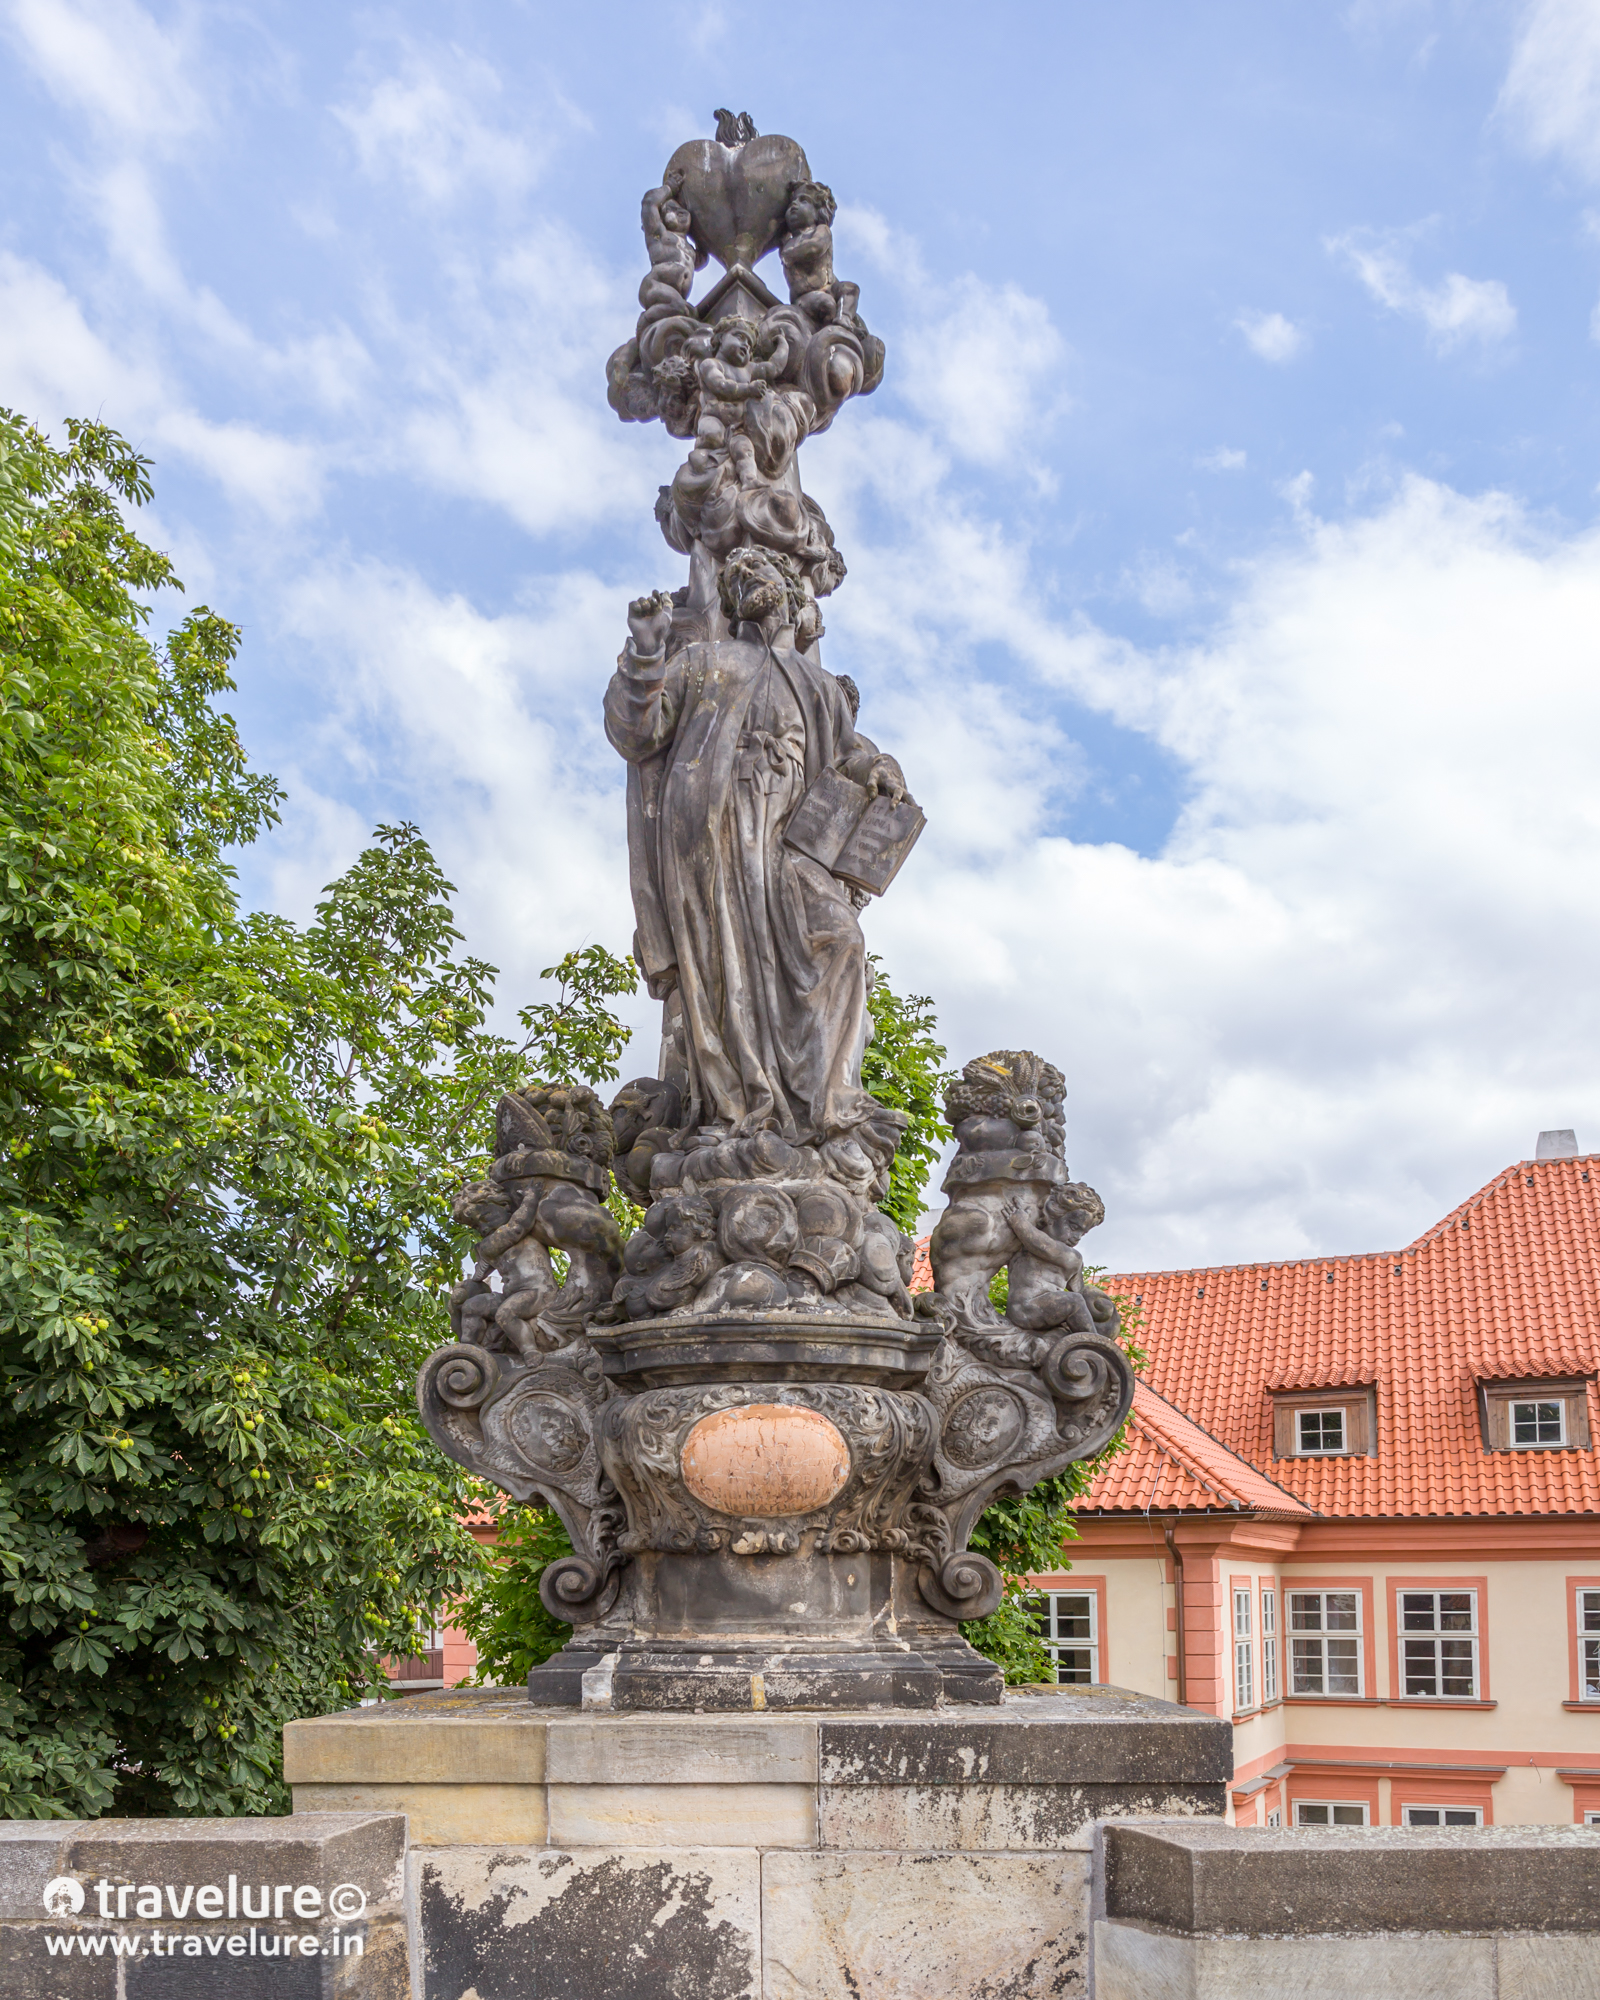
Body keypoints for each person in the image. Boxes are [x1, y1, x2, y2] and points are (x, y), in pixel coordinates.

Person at [604, 544, 908, 1178]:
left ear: (792, 595)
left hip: (793, 840)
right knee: (726, 965)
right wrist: (647, 652)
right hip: (713, 833)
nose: (747, 578)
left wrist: (879, 766)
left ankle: (828, 1100)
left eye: (761, 570)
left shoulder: (819, 686)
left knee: (840, 939)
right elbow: (639, 733)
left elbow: (852, 753)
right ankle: (740, 1100)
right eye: (736, 575)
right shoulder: (702, 662)